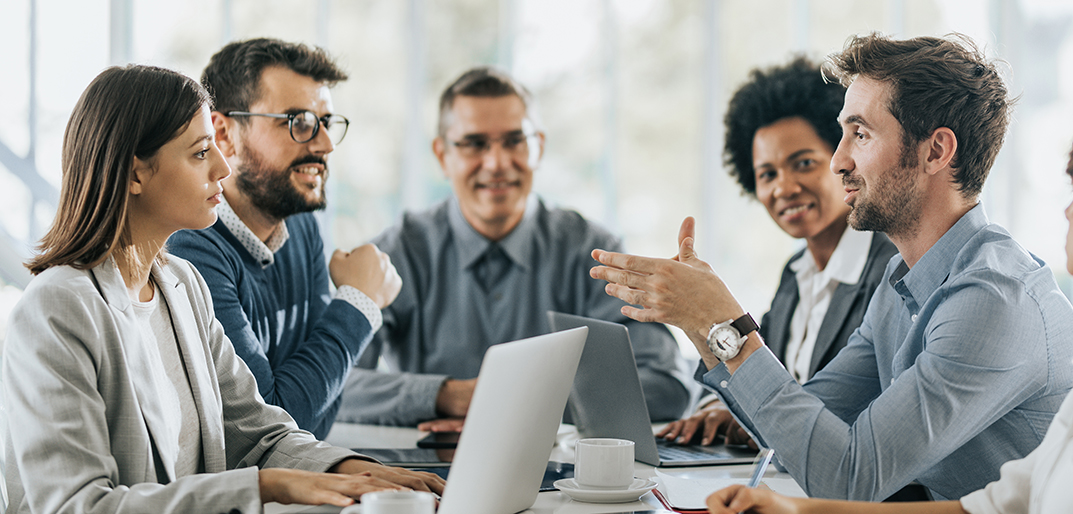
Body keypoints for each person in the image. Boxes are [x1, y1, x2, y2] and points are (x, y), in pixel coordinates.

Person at [591, 33, 1073, 501]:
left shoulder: (993, 301)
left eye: (860, 134)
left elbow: (851, 478)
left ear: (936, 151)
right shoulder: (901, 282)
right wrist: (701, 321)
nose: (838, 161)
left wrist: (726, 324)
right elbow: (791, 432)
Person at [705, 95, 1073, 514]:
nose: (1068, 210)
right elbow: (991, 506)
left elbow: (850, 472)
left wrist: (718, 323)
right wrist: (800, 510)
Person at [3, 65, 442, 514]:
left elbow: (258, 434)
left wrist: (354, 471)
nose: (222, 166)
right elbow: (77, 506)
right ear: (134, 175)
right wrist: (266, 485)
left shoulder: (183, 286)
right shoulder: (57, 309)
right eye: (199, 153)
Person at [336, 67, 690, 429]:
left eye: (514, 141)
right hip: (426, 463)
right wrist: (450, 396)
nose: (497, 163)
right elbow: (333, 383)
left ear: (539, 147)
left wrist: (507, 405)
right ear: (442, 156)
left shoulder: (593, 251)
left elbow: (667, 385)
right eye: (475, 143)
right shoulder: (399, 253)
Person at [656, 56, 898, 450]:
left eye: (803, 163)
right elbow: (759, 376)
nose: (784, 188)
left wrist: (713, 312)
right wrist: (718, 406)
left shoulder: (891, 269)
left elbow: (849, 412)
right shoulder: (796, 273)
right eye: (767, 174)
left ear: (843, 160)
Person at [168, 38, 401, 440]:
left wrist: (308, 390)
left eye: (326, 122)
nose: (325, 144)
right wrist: (358, 303)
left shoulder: (302, 225)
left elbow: (319, 412)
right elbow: (273, 425)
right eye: (299, 122)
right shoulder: (191, 249)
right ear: (223, 133)